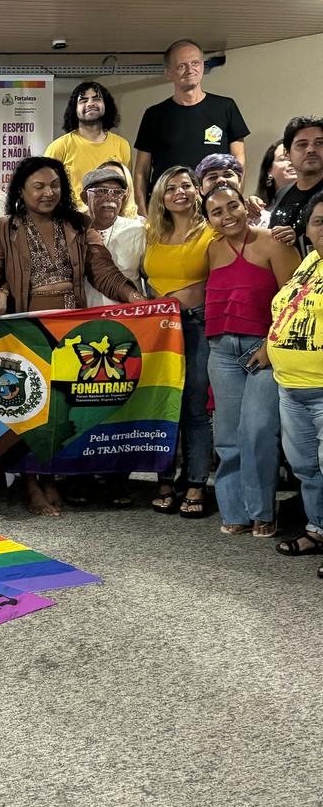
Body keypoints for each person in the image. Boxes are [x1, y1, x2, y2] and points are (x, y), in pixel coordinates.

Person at [0, 156, 145, 517]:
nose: (48, 192)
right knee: (26, 407)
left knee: (60, 408)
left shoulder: (79, 225)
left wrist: (135, 298)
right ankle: (31, 484)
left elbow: (102, 270)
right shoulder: (0, 229)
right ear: (21, 190)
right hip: (22, 331)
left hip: (69, 331)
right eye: (38, 186)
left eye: (54, 185)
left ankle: (49, 477)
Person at [202, 184, 300, 537]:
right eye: (217, 212)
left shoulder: (274, 241)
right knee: (227, 435)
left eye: (233, 206)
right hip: (221, 351)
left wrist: (271, 346)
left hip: (263, 348)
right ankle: (234, 510)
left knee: (258, 430)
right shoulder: (212, 249)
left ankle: (262, 510)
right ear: (209, 220)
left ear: (247, 205)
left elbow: (294, 302)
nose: (228, 216)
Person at [141, 166, 217, 518]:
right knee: (163, 403)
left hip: (197, 325)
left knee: (194, 408)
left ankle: (197, 482)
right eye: (171, 188)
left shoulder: (212, 231)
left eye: (186, 185)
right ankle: (165, 479)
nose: (180, 192)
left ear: (197, 191)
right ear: (161, 196)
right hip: (159, 329)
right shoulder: (152, 233)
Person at [266, 194, 323, 563]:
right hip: (290, 386)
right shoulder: (309, 263)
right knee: (305, 468)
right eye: (319, 221)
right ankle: (318, 529)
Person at [133, 38, 250, 202]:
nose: (190, 70)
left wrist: (233, 198)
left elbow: (239, 160)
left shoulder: (225, 107)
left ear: (202, 66)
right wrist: (142, 212)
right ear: (168, 73)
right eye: (182, 66)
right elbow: (141, 171)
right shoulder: (154, 115)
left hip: (214, 204)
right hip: (167, 207)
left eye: (195, 63)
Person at [44, 82, 132, 209]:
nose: (90, 103)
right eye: (83, 100)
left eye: (96, 98)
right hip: (72, 221)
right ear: (74, 109)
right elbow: (48, 190)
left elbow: (126, 191)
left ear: (106, 105)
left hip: (111, 219)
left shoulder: (122, 145)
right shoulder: (59, 147)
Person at [81, 165, 146, 308]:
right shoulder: (73, 230)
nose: (110, 197)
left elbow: (152, 279)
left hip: (128, 320)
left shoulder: (137, 231)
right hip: (84, 323)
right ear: (85, 197)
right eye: (102, 191)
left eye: (117, 193)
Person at [268, 116, 323, 257]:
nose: (311, 149)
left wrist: (298, 236)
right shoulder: (282, 193)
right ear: (287, 153)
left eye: (319, 143)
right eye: (302, 144)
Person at [195, 153, 269, 224]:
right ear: (201, 189)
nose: (221, 180)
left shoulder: (260, 217)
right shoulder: (194, 226)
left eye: (227, 175)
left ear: (239, 182)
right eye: (212, 177)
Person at [256, 138, 296, 204]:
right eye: (283, 159)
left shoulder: (316, 203)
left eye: (295, 158)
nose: (291, 162)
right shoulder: (256, 208)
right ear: (269, 171)